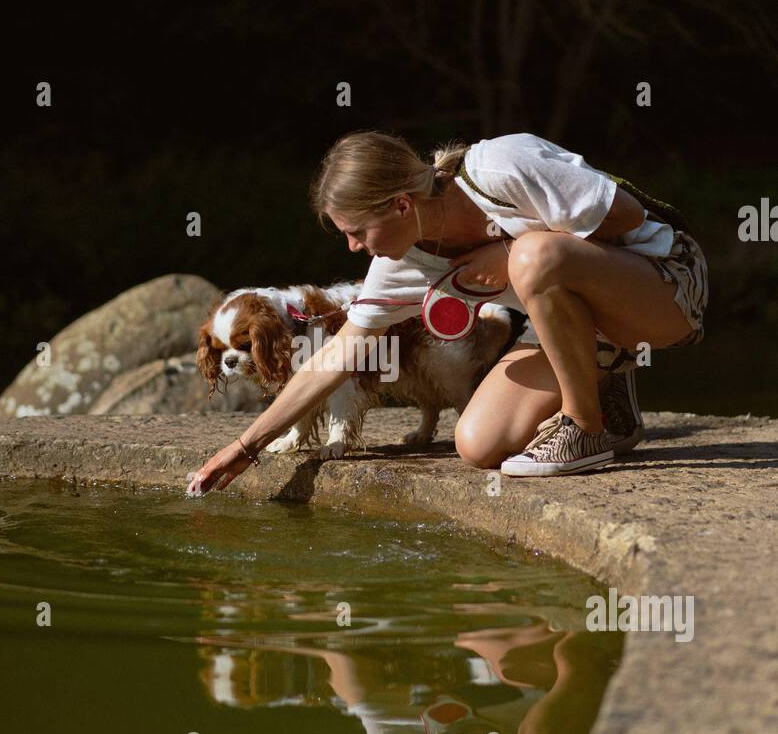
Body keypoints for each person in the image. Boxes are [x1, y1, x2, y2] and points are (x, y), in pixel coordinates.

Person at [186, 129, 708, 492]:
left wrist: (508, 253)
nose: (352, 247)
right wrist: (245, 446)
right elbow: (335, 358)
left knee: (535, 256)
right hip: (584, 326)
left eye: (356, 231)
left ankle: (584, 425)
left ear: (401, 205)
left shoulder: (499, 168)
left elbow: (628, 216)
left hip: (664, 287)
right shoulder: (400, 263)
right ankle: (606, 385)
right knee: (478, 444)